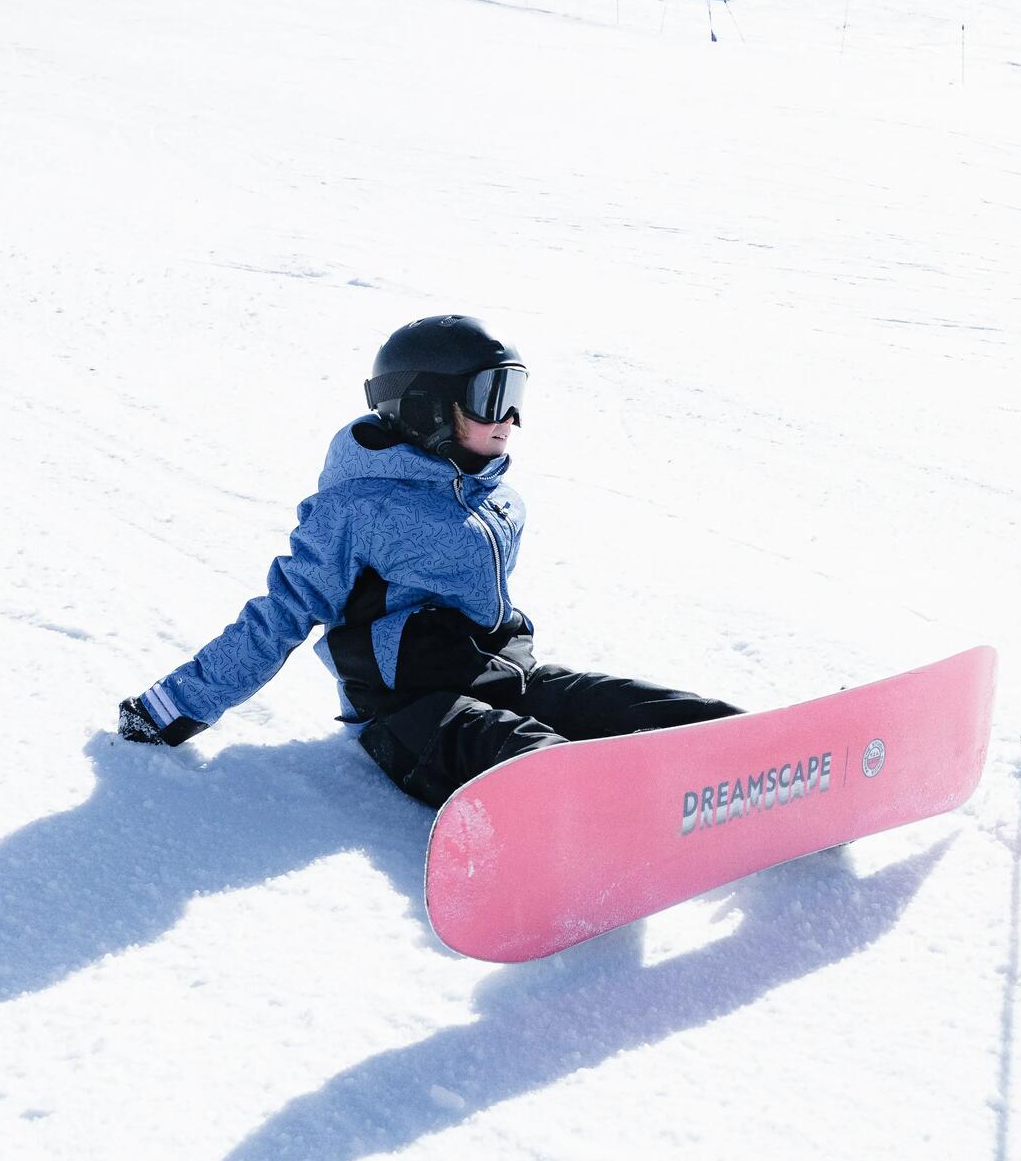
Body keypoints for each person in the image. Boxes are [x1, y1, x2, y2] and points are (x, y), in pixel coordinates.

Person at [116, 314, 741, 808]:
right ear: (427, 407)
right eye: (492, 395)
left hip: (504, 675)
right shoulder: (358, 510)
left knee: (648, 710)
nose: (511, 417)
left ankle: (754, 758)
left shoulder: (492, 491)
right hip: (408, 711)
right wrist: (172, 707)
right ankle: (606, 820)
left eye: (516, 392)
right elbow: (279, 616)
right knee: (536, 759)